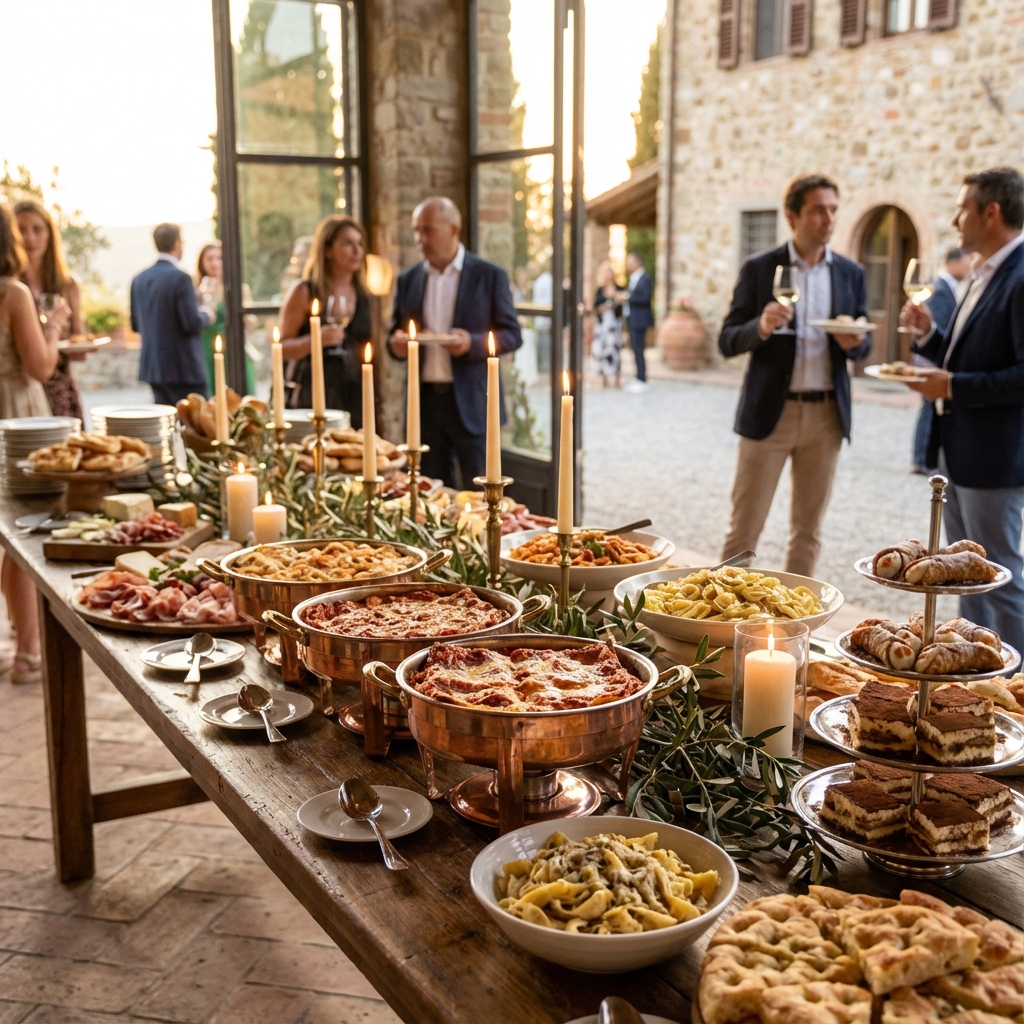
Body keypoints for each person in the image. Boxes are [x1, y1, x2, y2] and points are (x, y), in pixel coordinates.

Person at [719, 175, 873, 577]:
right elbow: (726, 340)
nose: (829, 219)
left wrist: (853, 343)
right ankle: (720, 611)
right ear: (792, 216)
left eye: (833, 210)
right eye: (818, 210)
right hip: (770, 413)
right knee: (743, 532)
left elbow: (864, 345)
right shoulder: (759, 269)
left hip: (826, 416)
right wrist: (761, 326)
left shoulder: (850, 273)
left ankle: (795, 616)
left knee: (808, 533)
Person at [901, 167, 1024, 654]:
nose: (955, 220)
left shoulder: (1020, 276)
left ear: (990, 213)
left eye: (961, 209)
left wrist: (950, 386)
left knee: (1000, 578)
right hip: (958, 452)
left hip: (995, 457)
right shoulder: (983, 271)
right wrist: (929, 336)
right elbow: (969, 355)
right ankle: (971, 672)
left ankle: (1016, 685)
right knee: (963, 576)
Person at [387, 196, 522, 488]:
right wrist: (396, 345)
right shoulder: (408, 279)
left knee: (481, 492)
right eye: (416, 230)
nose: (420, 239)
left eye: (427, 230)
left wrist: (471, 343)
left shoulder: (488, 275)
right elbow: (393, 335)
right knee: (429, 492)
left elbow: (512, 335)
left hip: (473, 402)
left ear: (453, 230)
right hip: (424, 404)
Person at [0, 205, 66, 684]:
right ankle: (27, 650)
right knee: (24, 531)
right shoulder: (13, 292)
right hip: (17, 416)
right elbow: (40, 366)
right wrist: (56, 325)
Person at [278, 216, 372, 423]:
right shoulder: (304, 291)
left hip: (355, 394)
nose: (357, 251)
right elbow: (281, 348)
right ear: (327, 250)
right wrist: (315, 340)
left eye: (360, 244)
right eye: (348, 244)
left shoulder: (364, 296)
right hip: (313, 394)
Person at [14, 200, 84, 421]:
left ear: (50, 235)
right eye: (21, 230)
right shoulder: (10, 288)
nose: (29, 238)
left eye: (37, 229)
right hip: (22, 389)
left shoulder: (68, 284)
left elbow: (79, 344)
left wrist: (75, 344)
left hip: (60, 390)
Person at [131, 223, 215, 406]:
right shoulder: (181, 278)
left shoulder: (138, 279)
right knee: (197, 420)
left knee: (165, 420)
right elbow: (191, 323)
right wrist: (207, 313)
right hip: (184, 368)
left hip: (154, 369)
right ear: (177, 243)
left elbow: (135, 325)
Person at [911, 247, 973, 474]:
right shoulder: (940, 289)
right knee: (929, 408)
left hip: (937, 359)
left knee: (929, 408)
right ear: (953, 262)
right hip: (932, 361)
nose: (969, 265)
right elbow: (938, 325)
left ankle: (923, 459)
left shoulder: (952, 288)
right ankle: (921, 459)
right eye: (966, 260)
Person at [195, 242, 255, 396]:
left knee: (241, 391)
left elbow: (251, 323)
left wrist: (246, 321)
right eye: (210, 259)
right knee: (213, 391)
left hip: (234, 345)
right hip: (207, 347)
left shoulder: (239, 288)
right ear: (202, 263)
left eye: (219, 258)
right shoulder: (198, 290)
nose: (215, 263)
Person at [590, 261, 623, 388]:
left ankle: (617, 378)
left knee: (615, 350)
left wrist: (615, 302)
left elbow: (622, 309)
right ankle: (604, 378)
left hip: (614, 325)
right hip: (602, 325)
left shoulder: (619, 289)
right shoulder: (600, 290)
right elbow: (594, 307)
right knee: (601, 351)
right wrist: (601, 308)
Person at [624, 253, 653, 393]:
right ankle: (638, 377)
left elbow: (645, 297)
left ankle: (642, 379)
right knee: (635, 349)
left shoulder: (644, 279)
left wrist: (628, 297)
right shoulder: (634, 279)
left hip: (640, 320)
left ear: (637, 263)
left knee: (639, 349)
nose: (628, 266)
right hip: (633, 319)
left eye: (630, 263)